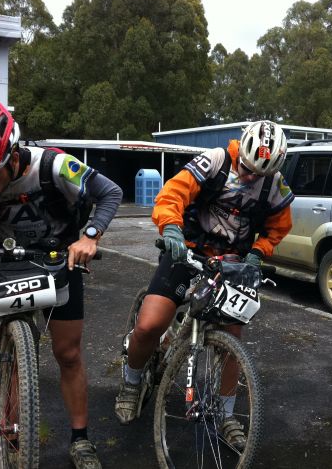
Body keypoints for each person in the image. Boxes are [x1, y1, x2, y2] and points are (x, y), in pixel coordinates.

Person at [114, 120, 294, 447]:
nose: (252, 177)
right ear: (242, 151)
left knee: (232, 338)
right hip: (188, 250)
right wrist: (170, 228)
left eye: (260, 174)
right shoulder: (215, 160)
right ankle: (131, 381)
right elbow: (173, 194)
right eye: (249, 169)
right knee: (150, 325)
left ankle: (226, 415)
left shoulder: (275, 185)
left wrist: (258, 252)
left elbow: (278, 228)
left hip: (232, 265)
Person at [0, 99, 122, 469]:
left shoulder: (53, 165)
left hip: (57, 262)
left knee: (68, 355)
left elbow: (110, 193)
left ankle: (80, 440)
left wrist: (89, 236)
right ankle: (13, 436)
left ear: (13, 157)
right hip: (0, 264)